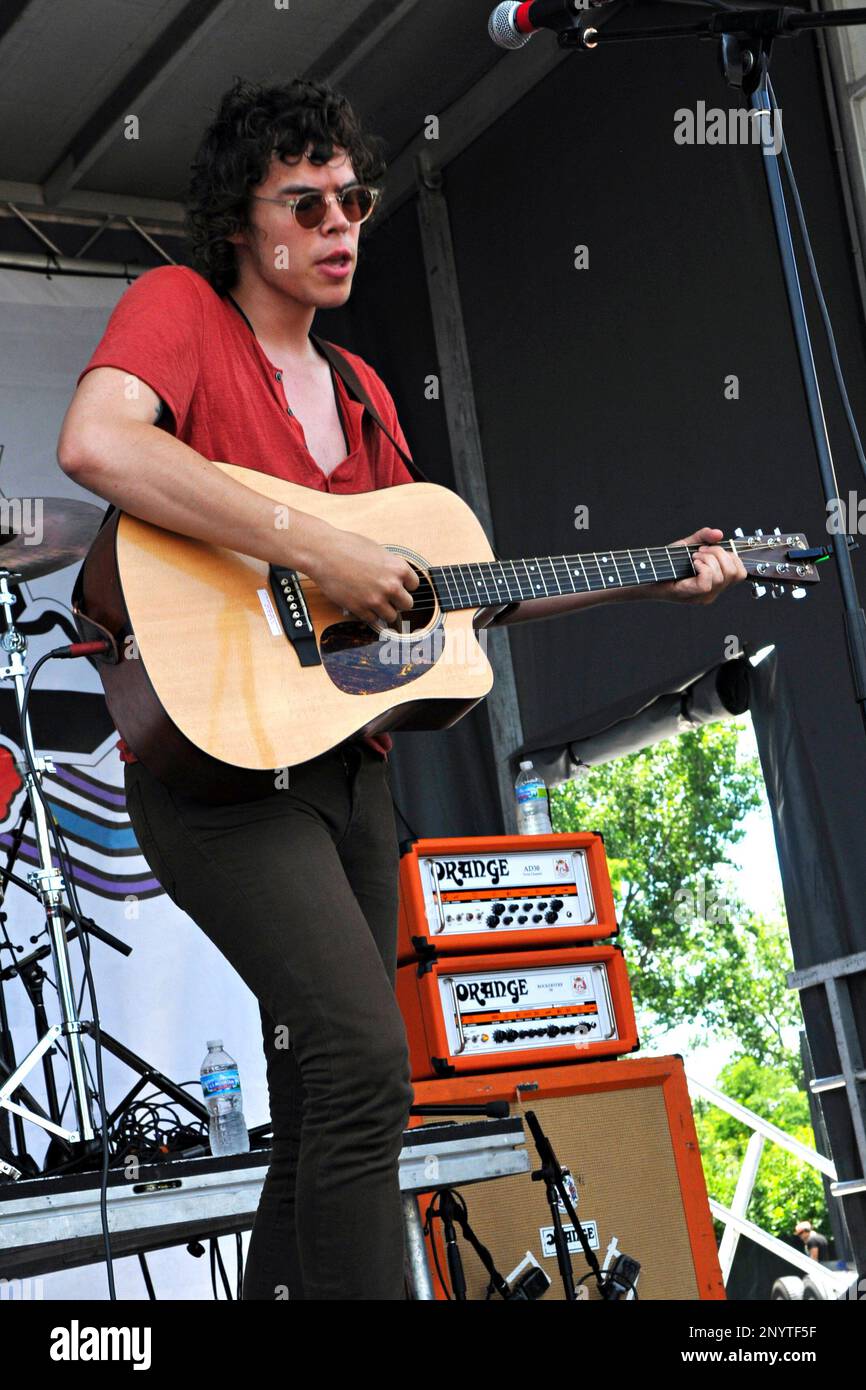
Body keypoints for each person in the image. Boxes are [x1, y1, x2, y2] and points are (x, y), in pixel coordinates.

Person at [56, 77, 746, 1301]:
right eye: (304, 204)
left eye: (353, 202)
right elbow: (99, 443)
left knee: (325, 1100)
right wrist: (317, 548)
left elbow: (453, 596)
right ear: (239, 220)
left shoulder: (367, 394)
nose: (338, 227)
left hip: (347, 774)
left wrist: (652, 577)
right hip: (215, 773)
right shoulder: (181, 312)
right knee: (364, 1061)